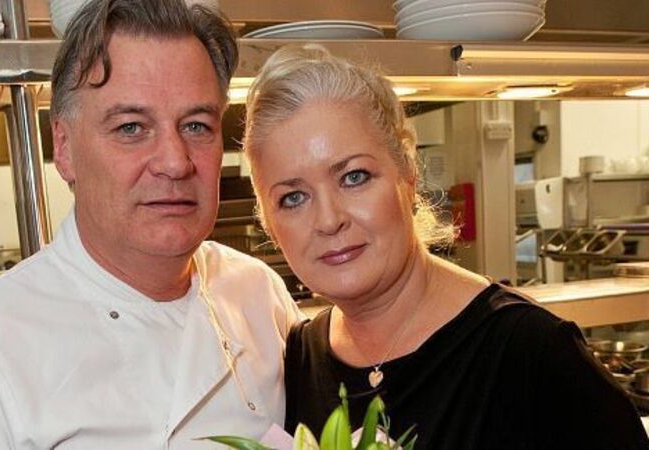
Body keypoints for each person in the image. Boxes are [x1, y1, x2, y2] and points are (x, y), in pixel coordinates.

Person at [0, 1, 300, 448]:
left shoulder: (258, 294)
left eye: (196, 126)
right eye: (131, 128)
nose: (175, 162)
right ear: (64, 148)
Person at [243, 44, 649, 449]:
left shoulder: (529, 351)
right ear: (269, 224)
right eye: (293, 198)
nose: (329, 220)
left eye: (354, 177)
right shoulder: (300, 358)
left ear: (408, 173)